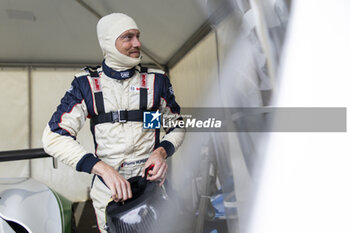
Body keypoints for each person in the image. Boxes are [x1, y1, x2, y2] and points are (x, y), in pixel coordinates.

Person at [42, 13, 185, 233]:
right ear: (108, 42)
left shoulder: (157, 81)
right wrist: (103, 170)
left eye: (138, 36)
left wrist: (160, 153)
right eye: (128, 37)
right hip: (109, 193)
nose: (137, 43)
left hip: (151, 189)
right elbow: (53, 137)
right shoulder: (86, 84)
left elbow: (176, 125)